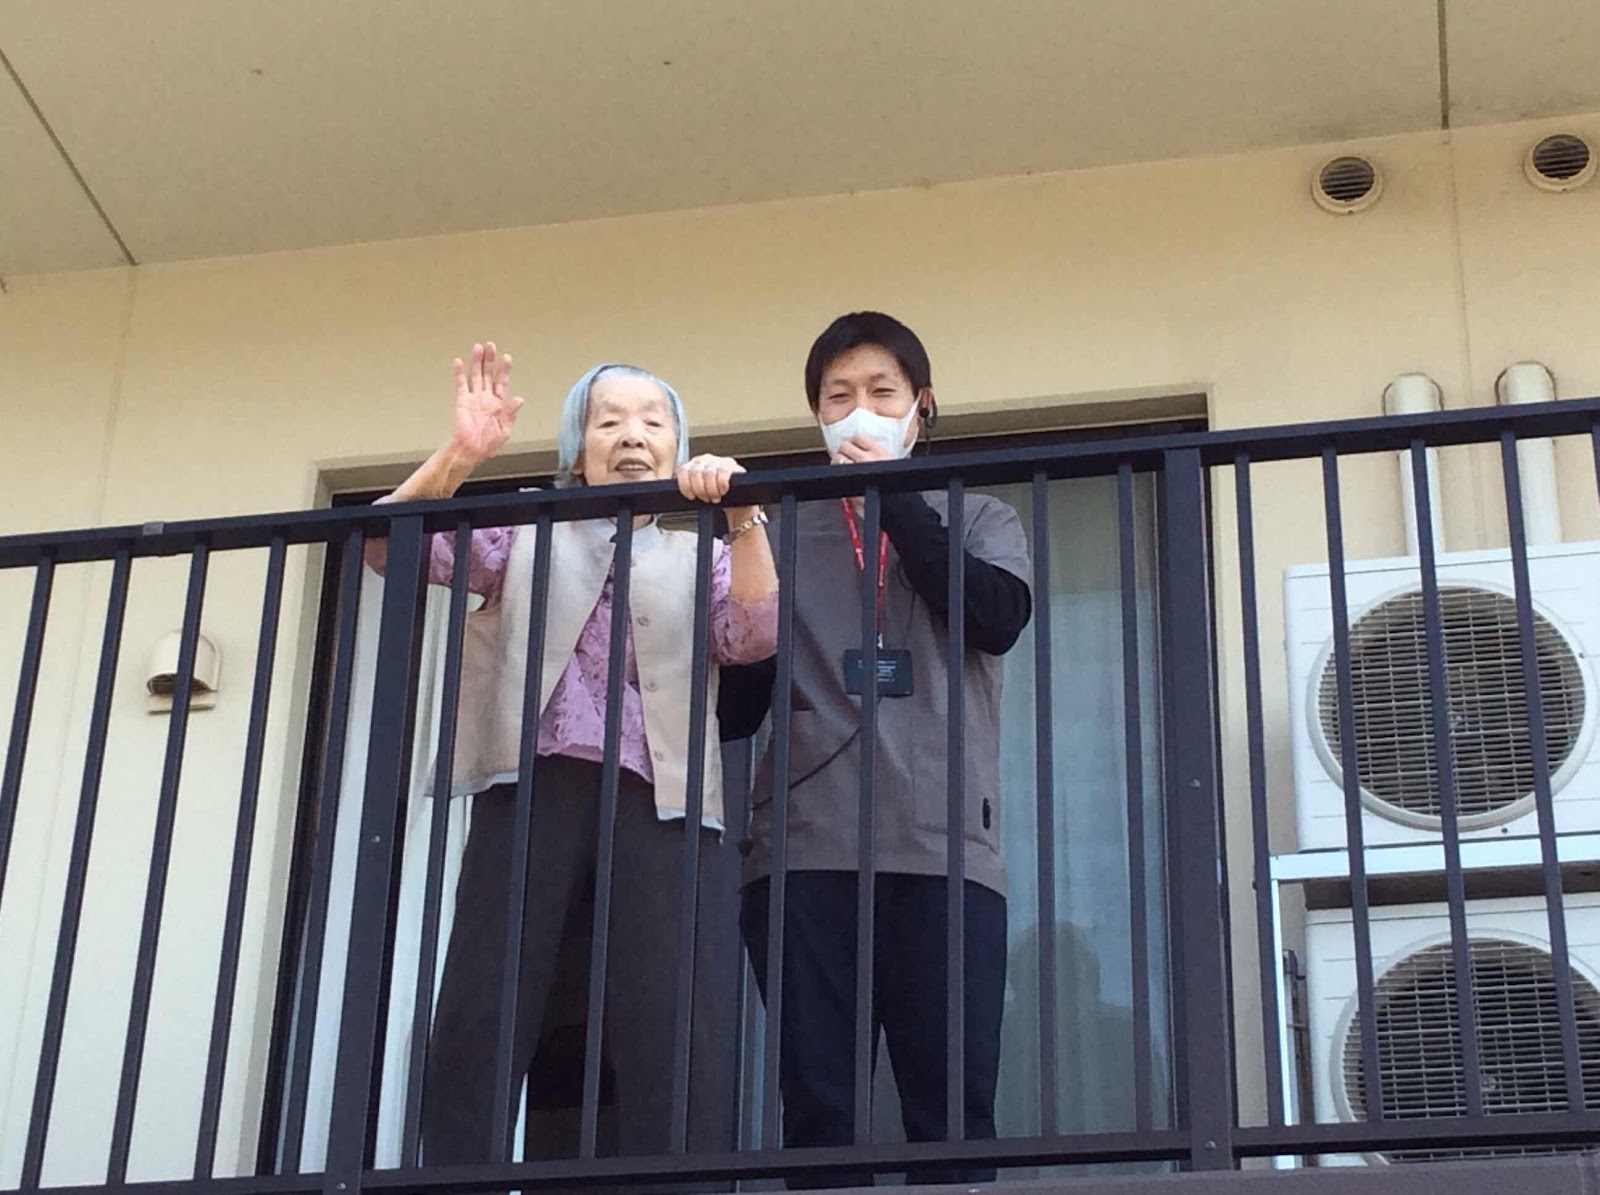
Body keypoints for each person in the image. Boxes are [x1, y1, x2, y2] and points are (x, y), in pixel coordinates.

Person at [367, 343, 779, 1166]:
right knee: (489, 991)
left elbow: (754, 632)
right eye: (608, 421)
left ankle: (676, 1178)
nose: (632, 435)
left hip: (660, 794)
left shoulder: (700, 554)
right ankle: (453, 1173)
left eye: (653, 422)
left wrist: (743, 514)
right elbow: (389, 544)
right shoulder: (524, 533)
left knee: (668, 1007)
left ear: (678, 445)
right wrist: (461, 454)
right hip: (532, 781)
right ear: (576, 448)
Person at [736, 312, 1032, 1187]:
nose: (858, 410)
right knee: (819, 1112)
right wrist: (740, 534)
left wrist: (897, 497)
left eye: (880, 392)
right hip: (804, 849)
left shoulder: (980, 516)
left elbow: (996, 618)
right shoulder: (782, 529)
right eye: (838, 397)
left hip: (947, 851)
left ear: (920, 406)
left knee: (952, 1113)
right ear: (816, 416)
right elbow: (738, 700)